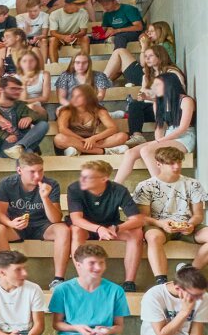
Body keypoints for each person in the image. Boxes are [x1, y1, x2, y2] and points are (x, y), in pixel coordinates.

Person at [63, 158, 148, 288]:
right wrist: (98, 229)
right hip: (86, 227)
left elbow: (137, 219)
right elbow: (76, 219)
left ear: (104, 179)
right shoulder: (74, 188)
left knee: (136, 232)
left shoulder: (119, 190)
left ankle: (129, 282)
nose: (83, 180)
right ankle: (84, 278)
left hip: (110, 226)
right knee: (76, 230)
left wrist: (116, 228)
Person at [131, 145, 206, 279]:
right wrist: (161, 224)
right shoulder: (146, 186)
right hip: (158, 225)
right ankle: (161, 281)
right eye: (171, 163)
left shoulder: (193, 184)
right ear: (158, 164)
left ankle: (189, 273)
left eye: (179, 162)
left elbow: (198, 215)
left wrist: (191, 224)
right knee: (153, 237)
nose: (176, 166)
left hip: (188, 224)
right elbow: (143, 217)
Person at [118, 52, 195, 182]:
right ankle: (113, 188)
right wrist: (159, 142)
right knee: (130, 153)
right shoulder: (158, 103)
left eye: (157, 85)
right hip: (168, 136)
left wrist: (159, 143)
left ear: (169, 85)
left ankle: (161, 187)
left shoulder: (186, 101)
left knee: (146, 151)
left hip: (184, 137)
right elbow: (159, 127)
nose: (153, 88)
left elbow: (182, 128)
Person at [0, 73, 49, 160]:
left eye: (18, 89)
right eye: (13, 89)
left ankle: (19, 147)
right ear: (1, 89)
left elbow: (43, 118)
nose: (17, 92)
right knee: (28, 155)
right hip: (1, 145)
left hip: (21, 141)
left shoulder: (19, 105)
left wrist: (30, 117)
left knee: (43, 125)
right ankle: (19, 149)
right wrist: (4, 135)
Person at [52, 84, 126, 158]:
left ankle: (80, 150)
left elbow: (113, 128)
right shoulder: (66, 110)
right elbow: (62, 129)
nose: (74, 99)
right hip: (72, 140)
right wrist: (83, 140)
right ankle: (104, 151)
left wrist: (94, 138)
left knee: (122, 136)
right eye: (73, 96)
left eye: (78, 96)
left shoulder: (99, 110)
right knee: (59, 138)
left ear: (88, 98)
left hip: (91, 141)